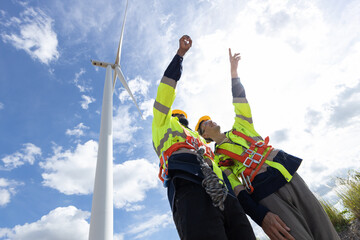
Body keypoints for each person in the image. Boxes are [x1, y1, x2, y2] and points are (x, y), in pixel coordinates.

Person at [195, 48, 340, 240]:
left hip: (289, 174)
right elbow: (238, 191)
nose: (210, 121)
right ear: (205, 136)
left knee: (326, 232)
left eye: (210, 118)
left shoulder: (241, 126)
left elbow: (240, 102)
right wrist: (261, 216)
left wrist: (234, 73)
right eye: (205, 124)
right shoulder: (219, 160)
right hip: (267, 194)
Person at [152, 36, 256, 240]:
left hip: (223, 190)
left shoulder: (199, 140)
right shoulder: (163, 122)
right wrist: (179, 56)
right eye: (179, 116)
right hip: (188, 180)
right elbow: (165, 92)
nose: (182, 119)